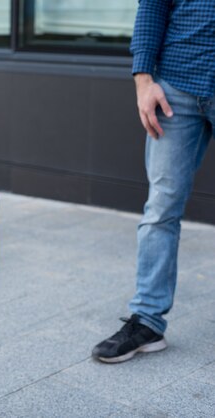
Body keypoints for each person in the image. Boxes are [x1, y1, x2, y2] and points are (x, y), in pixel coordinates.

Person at [92, 1, 214, 363]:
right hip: (176, 85)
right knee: (160, 209)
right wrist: (143, 80)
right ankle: (147, 322)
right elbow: (153, 7)